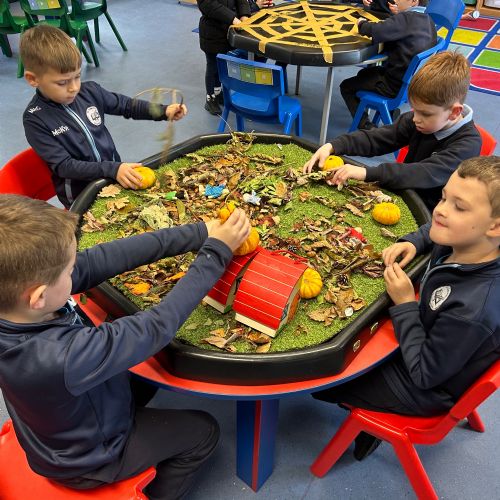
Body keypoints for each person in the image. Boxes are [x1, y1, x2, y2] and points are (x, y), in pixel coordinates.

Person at [0, 194, 251, 499]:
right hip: (90, 461)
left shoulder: (19, 304)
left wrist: (200, 232)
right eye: (69, 270)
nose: (75, 270)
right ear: (38, 297)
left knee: (145, 375)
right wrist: (216, 252)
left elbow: (103, 258)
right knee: (204, 431)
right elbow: (155, 327)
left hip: (65, 425)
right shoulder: (58, 357)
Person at [312, 156, 500, 460]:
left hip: (422, 389)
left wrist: (405, 305)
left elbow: (425, 374)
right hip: (431, 343)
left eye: (459, 207)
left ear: (495, 226)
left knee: (323, 381)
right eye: (444, 198)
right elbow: (433, 229)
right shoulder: (467, 240)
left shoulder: (472, 311)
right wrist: (414, 241)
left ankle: (371, 427)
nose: (440, 210)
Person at [20, 25, 187, 209]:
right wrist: (112, 169)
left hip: (113, 178)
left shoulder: (90, 92)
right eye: (62, 82)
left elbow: (126, 105)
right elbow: (64, 166)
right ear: (33, 79)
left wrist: (163, 111)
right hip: (81, 196)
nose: (74, 88)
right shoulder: (35, 119)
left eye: (77, 76)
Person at [303, 51, 482, 211]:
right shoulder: (418, 120)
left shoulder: (467, 145)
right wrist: (334, 145)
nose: (415, 118)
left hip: (432, 212)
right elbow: (378, 138)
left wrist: (366, 173)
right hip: (403, 194)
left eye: (425, 114)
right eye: (414, 110)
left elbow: (422, 173)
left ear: (454, 112)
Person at [340, 0, 436, 130]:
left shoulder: (405, 19)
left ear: (414, 1)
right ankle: (390, 113)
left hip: (393, 86)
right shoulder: (428, 21)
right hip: (411, 87)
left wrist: (361, 23)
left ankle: (366, 126)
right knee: (364, 73)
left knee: (346, 86)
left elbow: (375, 30)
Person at [197, 0, 251, 115]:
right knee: (212, 65)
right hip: (211, 32)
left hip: (227, 30)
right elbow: (208, 4)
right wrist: (233, 18)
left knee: (221, 64)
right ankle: (210, 98)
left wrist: (244, 15)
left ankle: (218, 92)